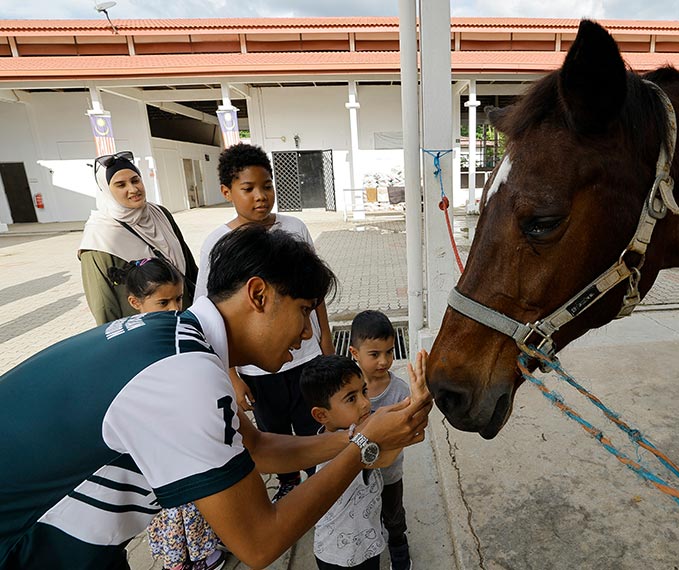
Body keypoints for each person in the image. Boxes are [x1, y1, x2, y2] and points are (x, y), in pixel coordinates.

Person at [0, 224, 432, 569]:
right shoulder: (186, 374)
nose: (308, 332)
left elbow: (256, 447)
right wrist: (364, 445)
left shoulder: (179, 340)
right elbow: (259, 543)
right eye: (303, 310)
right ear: (258, 295)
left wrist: (365, 432)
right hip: (28, 546)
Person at [195, 142, 334, 501]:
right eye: (248, 189)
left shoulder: (294, 227)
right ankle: (288, 483)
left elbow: (314, 292)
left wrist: (325, 340)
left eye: (267, 186)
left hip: (304, 361)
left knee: (312, 422)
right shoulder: (218, 244)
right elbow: (212, 313)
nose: (261, 196)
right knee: (274, 427)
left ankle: (319, 477)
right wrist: (232, 376)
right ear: (227, 192)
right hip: (258, 372)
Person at [110, 257, 225, 570]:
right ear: (135, 302)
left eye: (178, 298)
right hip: (156, 443)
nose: (175, 308)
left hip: (184, 433)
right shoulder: (134, 341)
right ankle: (178, 560)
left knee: (197, 502)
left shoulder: (183, 328)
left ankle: (204, 551)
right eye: (163, 302)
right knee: (171, 506)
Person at [300, 352, 428, 570]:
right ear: (322, 415)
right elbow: (390, 450)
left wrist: (416, 403)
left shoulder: (341, 435)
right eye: (351, 398)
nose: (365, 403)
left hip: (366, 542)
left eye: (363, 391)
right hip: (343, 557)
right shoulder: (348, 446)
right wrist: (418, 402)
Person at [79, 150, 198, 325]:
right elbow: (104, 307)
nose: (133, 189)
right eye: (121, 185)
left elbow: (189, 266)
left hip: (186, 316)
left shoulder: (160, 215)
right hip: (144, 331)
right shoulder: (98, 238)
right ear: (106, 191)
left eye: (135, 180)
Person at [349, 310, 412, 570]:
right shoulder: (347, 389)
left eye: (390, 351)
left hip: (389, 473)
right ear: (354, 353)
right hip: (356, 474)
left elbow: (406, 430)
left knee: (394, 515)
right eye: (374, 354)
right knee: (365, 517)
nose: (384, 361)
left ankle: (399, 549)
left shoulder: (399, 391)